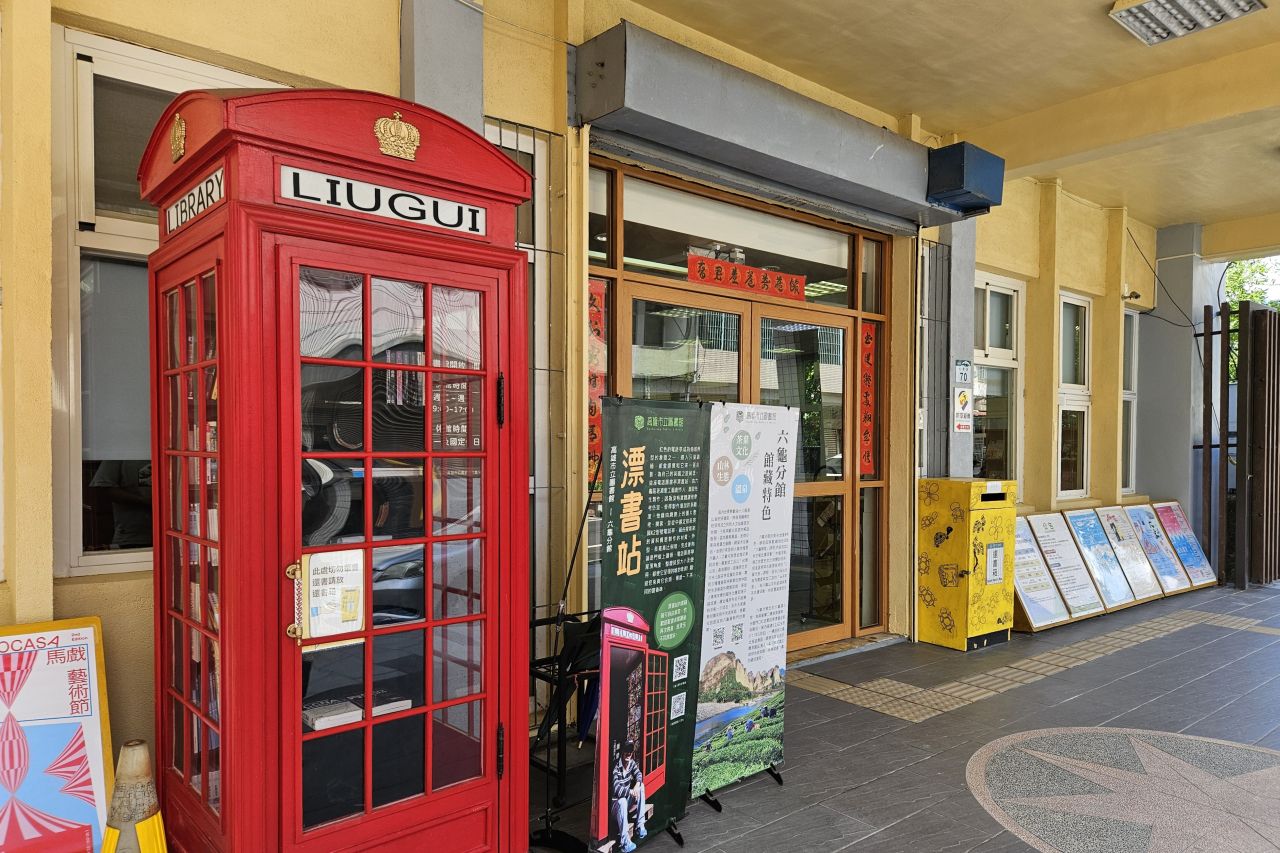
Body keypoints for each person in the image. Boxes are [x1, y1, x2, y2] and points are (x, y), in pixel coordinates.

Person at [610, 740, 646, 852]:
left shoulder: (631, 763)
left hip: (626, 802)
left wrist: (637, 784)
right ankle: (625, 843)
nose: (628, 754)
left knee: (641, 787)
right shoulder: (616, 767)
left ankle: (640, 826)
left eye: (630, 751)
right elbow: (616, 788)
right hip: (615, 806)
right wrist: (630, 791)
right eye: (626, 751)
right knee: (622, 801)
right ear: (622, 752)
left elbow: (639, 774)